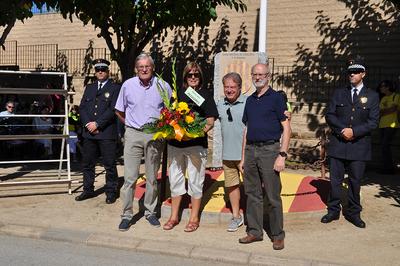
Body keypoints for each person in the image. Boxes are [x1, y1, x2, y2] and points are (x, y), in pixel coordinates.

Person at [115, 53, 171, 231]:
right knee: (130, 178)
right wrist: (130, 126)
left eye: (147, 66)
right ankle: (126, 215)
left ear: (152, 68)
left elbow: (170, 112)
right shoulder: (128, 85)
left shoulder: (163, 86)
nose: (144, 70)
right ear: (136, 69)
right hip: (133, 134)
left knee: (152, 177)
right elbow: (119, 110)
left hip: (154, 136)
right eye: (141, 67)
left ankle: (150, 212)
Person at [238, 62, 291, 251]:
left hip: (270, 151)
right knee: (252, 194)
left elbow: (286, 128)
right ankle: (255, 231)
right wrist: (243, 157)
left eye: (261, 74)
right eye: (255, 74)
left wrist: (282, 155)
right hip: (251, 150)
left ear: (268, 76)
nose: (258, 77)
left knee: (272, 195)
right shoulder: (250, 100)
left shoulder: (276, 98)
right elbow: (246, 129)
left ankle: (277, 235)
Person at [322, 57, 379, 228]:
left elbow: (373, 121)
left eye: (355, 72)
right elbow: (330, 115)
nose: (351, 74)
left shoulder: (372, 96)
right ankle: (333, 210)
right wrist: (342, 130)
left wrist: (354, 131)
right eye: (349, 72)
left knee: (355, 181)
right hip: (339, 143)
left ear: (363, 73)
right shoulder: (339, 93)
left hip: (359, 145)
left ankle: (354, 212)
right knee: (335, 180)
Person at [162, 62, 218, 232]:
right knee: (175, 180)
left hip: (196, 145)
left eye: (196, 74)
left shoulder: (205, 95)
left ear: (200, 76)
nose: (193, 77)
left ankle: (194, 218)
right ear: (185, 77)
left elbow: (210, 119)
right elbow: (168, 116)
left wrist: (198, 132)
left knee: (195, 181)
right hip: (175, 145)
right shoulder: (177, 94)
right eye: (189, 75)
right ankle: (174, 216)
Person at [75, 58, 121, 204]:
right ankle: (88, 190)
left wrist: (97, 124)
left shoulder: (115, 88)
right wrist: (88, 123)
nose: (100, 72)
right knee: (87, 163)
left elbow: (113, 109)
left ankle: (111, 191)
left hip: (106, 133)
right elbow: (82, 107)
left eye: (103, 70)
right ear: (95, 72)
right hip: (89, 133)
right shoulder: (90, 87)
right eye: (98, 70)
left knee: (109, 164)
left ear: (108, 71)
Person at [216, 72, 246, 232]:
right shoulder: (220, 104)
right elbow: (206, 116)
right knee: (232, 187)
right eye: (226, 86)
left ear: (240, 87)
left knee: (252, 187)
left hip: (246, 156)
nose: (229, 90)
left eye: (232, 87)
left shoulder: (249, 103)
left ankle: (255, 217)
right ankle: (236, 216)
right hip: (227, 154)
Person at [377, 80, 399, 174]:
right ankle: (386, 167)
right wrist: (388, 110)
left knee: (385, 146)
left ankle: (389, 168)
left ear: (388, 87)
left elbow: (394, 109)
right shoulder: (383, 98)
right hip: (382, 124)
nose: (381, 88)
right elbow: (380, 112)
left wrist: (385, 111)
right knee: (384, 146)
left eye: (383, 86)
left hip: (392, 124)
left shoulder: (396, 96)